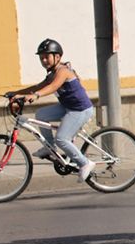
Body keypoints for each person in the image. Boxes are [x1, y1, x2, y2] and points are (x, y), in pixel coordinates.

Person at [8, 38, 96, 181]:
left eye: (46, 57)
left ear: (57, 57)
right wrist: (16, 94)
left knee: (62, 138)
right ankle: (50, 148)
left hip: (80, 110)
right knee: (41, 114)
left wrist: (36, 95)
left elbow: (53, 86)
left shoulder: (63, 71)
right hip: (67, 107)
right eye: (41, 58)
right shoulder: (52, 74)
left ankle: (85, 163)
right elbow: (37, 87)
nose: (44, 60)